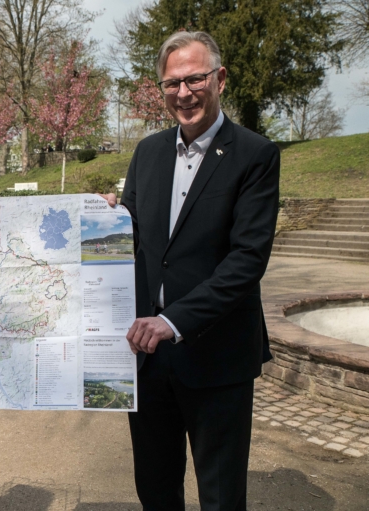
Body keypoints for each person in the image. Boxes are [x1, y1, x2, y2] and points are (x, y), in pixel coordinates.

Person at [100, 31, 279, 510]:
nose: (183, 93)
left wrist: (173, 321)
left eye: (194, 79)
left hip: (215, 354)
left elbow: (247, 261)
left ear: (219, 78)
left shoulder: (255, 155)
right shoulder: (148, 152)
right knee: (156, 491)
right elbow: (134, 239)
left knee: (220, 497)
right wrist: (105, 219)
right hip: (147, 358)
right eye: (171, 83)